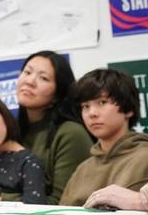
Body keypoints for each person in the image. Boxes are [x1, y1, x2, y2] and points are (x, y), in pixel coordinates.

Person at [60, 68, 148, 206]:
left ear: (128, 109)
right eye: (85, 106)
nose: (92, 113)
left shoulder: (146, 160)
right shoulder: (83, 168)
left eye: (102, 102)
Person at [16, 50, 92, 204]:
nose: (30, 81)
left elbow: (64, 202)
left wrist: (0, 200)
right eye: (27, 72)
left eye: (43, 78)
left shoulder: (71, 133)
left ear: (58, 93)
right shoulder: (11, 130)